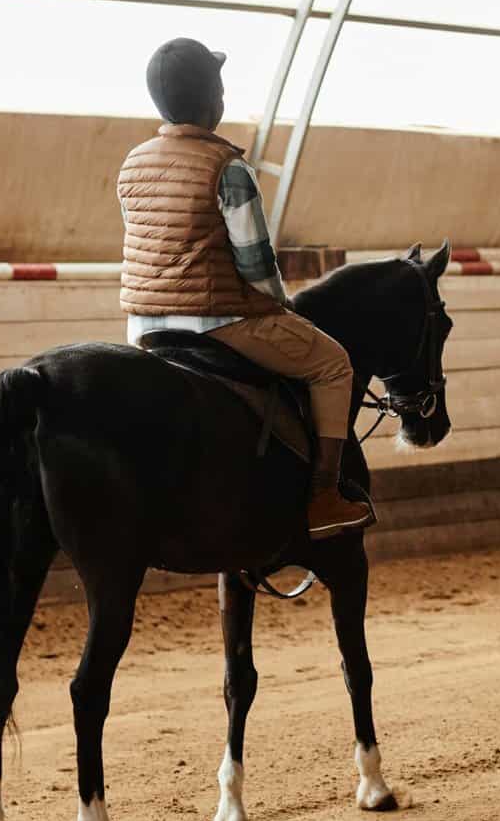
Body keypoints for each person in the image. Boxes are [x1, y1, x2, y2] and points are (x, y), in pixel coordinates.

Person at [117, 37, 373, 539]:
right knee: (333, 364)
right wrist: (280, 305)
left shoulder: (133, 164)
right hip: (220, 325)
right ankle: (323, 496)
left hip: (143, 328)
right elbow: (256, 264)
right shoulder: (228, 169)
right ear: (213, 99)